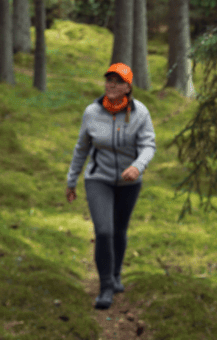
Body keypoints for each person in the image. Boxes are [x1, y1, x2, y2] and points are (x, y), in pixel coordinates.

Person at [66, 62, 156, 309]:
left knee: (119, 231)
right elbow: (81, 148)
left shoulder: (140, 113)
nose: (111, 85)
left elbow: (149, 145)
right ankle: (105, 286)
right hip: (99, 179)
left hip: (130, 182)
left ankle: (116, 275)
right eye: (109, 80)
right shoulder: (92, 112)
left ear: (128, 87)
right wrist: (71, 181)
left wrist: (137, 166)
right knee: (104, 231)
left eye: (117, 81)